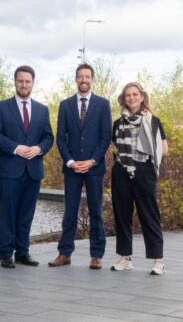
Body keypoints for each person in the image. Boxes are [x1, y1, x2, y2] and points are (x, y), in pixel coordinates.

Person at [49, 63, 112, 269]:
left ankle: (96, 255)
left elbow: (105, 138)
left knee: (96, 212)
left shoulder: (103, 105)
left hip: (94, 168)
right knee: (70, 212)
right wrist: (70, 162)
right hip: (72, 168)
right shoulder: (65, 105)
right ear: (76, 79)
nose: (84, 80)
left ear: (92, 79)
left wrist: (92, 161)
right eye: (80, 77)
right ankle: (64, 253)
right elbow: (60, 138)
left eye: (87, 76)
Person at [0, 65, 54, 268]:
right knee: (8, 212)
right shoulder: (1, 107)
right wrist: (16, 148)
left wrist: (39, 149)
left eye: (27, 81)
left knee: (27, 212)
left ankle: (22, 252)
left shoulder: (42, 110)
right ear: (15, 82)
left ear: (33, 83)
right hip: (9, 169)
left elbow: (48, 137)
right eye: (20, 81)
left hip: (33, 169)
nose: (24, 84)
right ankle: (5, 253)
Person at [110, 82, 168, 275]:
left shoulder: (153, 121)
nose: (132, 98)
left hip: (144, 171)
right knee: (122, 216)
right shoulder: (118, 123)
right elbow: (115, 147)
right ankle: (125, 257)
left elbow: (164, 149)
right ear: (124, 99)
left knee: (149, 215)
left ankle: (158, 260)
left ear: (142, 97)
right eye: (128, 95)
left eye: (135, 94)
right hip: (121, 172)